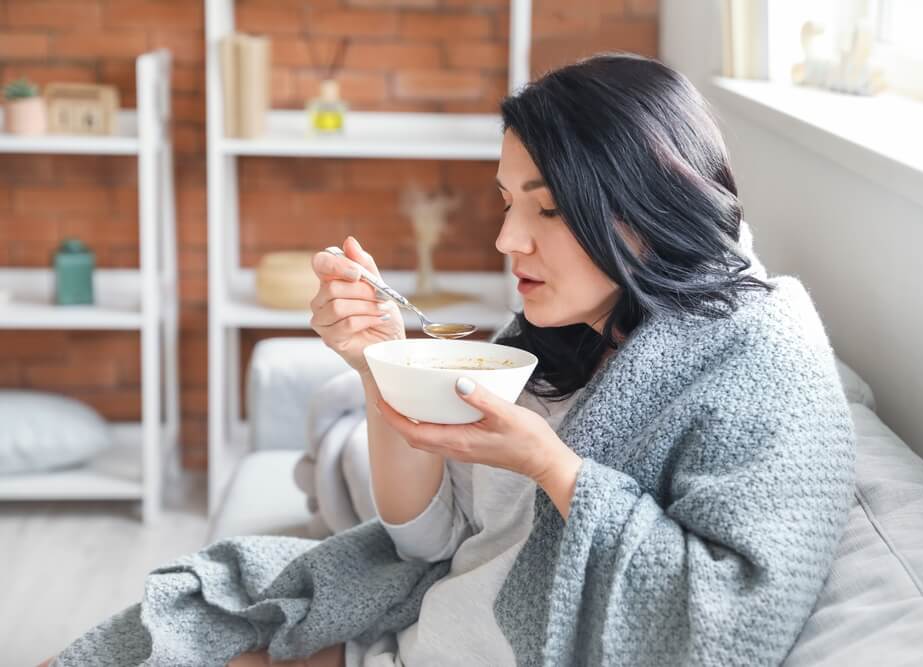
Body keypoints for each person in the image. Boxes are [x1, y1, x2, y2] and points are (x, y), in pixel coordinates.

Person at [44, 53, 855, 667]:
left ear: (649, 204)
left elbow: (731, 617)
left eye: (547, 207)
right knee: (163, 628)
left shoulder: (758, 354)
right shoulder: (574, 327)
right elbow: (425, 539)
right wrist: (381, 365)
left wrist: (556, 470)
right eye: (507, 201)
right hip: (411, 632)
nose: (507, 240)